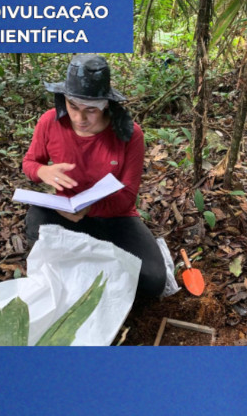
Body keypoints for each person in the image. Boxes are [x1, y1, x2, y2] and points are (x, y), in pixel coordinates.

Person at [22, 54, 167, 298]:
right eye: (73, 107)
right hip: (65, 212)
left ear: (106, 105)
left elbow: (127, 197)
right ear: (64, 100)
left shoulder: (130, 135)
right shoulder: (50, 122)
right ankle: (93, 265)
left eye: (91, 110)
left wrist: (89, 208)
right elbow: (29, 163)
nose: (80, 119)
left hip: (115, 218)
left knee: (153, 281)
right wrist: (43, 171)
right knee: (35, 220)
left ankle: (90, 264)